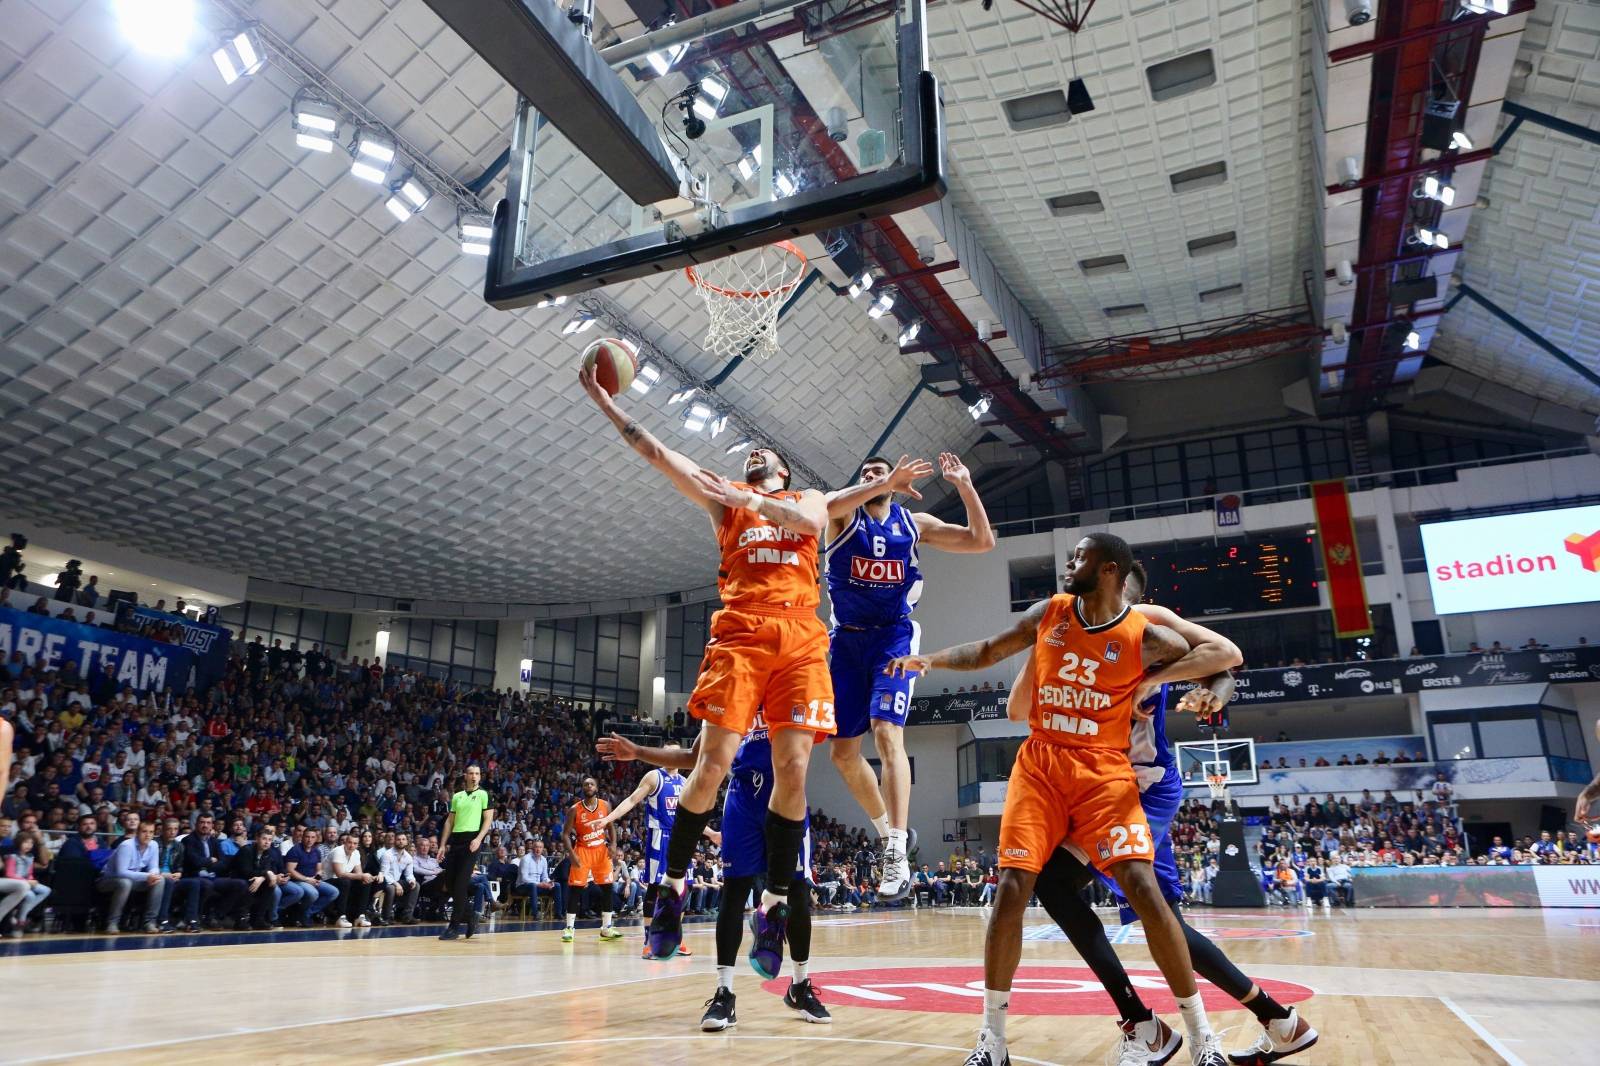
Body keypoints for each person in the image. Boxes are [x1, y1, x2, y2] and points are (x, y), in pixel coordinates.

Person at [579, 364, 915, 973]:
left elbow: (814, 522)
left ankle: (777, 906)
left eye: (767, 452)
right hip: (741, 632)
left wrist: (755, 498)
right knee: (712, 765)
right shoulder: (721, 499)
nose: (757, 451)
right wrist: (606, 404)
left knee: (794, 769)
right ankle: (671, 893)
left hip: (802, 636)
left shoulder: (805, 497)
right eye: (751, 453)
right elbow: (657, 452)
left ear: (781, 471)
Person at [886, 532, 1243, 1066]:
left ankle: (1201, 1036)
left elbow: (1223, 656)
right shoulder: (1051, 613)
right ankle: (993, 1040)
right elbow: (988, 650)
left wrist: (1156, 682)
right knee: (1012, 887)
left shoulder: (1145, 632)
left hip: (1105, 771)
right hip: (1042, 765)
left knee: (1143, 890)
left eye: (1080, 557)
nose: (1068, 563)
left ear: (1110, 571)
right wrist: (931, 660)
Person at [1026, 563, 1317, 1065]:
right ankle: (1279, 1021)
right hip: (1110, 787)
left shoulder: (1146, 630)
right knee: (1161, 921)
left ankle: (1144, 1024)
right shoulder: (1071, 637)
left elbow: (1224, 667)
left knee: (1057, 886)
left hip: (1139, 787)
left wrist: (1206, 691)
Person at [823, 451, 994, 899]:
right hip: (846, 642)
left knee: (886, 734)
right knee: (841, 755)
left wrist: (965, 485)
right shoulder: (842, 518)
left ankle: (896, 851)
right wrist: (882, 483)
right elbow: (826, 506)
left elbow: (981, 541)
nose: (875, 477)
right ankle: (886, 833)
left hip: (894, 639)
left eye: (881, 473)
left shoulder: (912, 523)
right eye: (868, 474)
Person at [598, 713, 829, 1033]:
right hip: (743, 801)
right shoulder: (741, 692)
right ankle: (724, 992)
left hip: (787, 796)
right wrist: (639, 752)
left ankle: (800, 986)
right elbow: (696, 756)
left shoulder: (794, 684)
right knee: (733, 893)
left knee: (798, 895)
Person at [594, 759, 720, 957]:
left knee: (683, 890)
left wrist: (711, 833)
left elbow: (691, 817)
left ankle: (674, 938)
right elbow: (632, 800)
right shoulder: (654, 777)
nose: (671, 758)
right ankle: (649, 940)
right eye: (667, 754)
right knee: (655, 888)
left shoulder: (685, 782)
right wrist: (608, 819)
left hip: (682, 836)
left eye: (675, 754)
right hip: (659, 839)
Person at [561, 776, 623, 943]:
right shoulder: (574, 809)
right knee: (576, 889)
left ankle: (606, 928)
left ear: (596, 787)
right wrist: (572, 855)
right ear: (582, 788)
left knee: (608, 888)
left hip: (601, 851)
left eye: (591, 784)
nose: (588, 786)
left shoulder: (605, 805)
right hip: (582, 851)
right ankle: (569, 928)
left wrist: (614, 844)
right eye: (585, 784)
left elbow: (611, 827)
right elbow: (565, 835)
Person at [438, 764, 494, 941]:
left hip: (472, 842)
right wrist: (442, 845)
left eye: (477, 773)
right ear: (465, 776)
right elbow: (449, 822)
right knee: (450, 883)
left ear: (480, 776)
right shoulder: (457, 796)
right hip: (456, 841)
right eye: (471, 773)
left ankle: (454, 927)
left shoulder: (484, 794)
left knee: (461, 884)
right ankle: (471, 916)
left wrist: (478, 839)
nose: (474, 776)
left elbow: (488, 820)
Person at [98, 821, 168, 933]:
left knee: (160, 880)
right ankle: (112, 923)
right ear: (137, 833)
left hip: (132, 880)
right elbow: (121, 872)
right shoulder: (126, 845)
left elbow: (154, 866)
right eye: (144, 831)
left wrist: (154, 875)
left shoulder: (154, 845)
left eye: (151, 832)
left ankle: (149, 922)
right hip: (107, 880)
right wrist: (147, 876)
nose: (148, 835)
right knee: (125, 883)